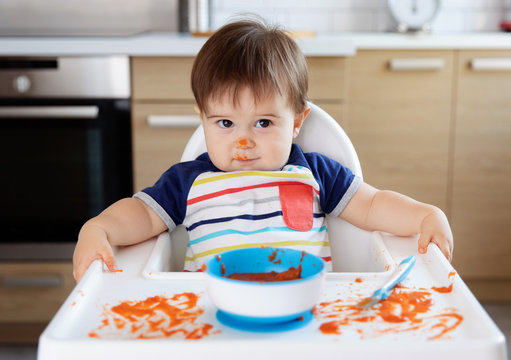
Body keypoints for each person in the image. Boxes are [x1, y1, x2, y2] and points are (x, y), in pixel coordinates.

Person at [73, 19, 453, 282]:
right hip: (211, 316)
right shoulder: (189, 180)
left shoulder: (315, 172)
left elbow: (372, 206)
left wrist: (425, 215)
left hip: (305, 311)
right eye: (225, 123)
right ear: (202, 118)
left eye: (264, 123)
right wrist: (100, 228)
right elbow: (140, 213)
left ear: (297, 122)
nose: (244, 141)